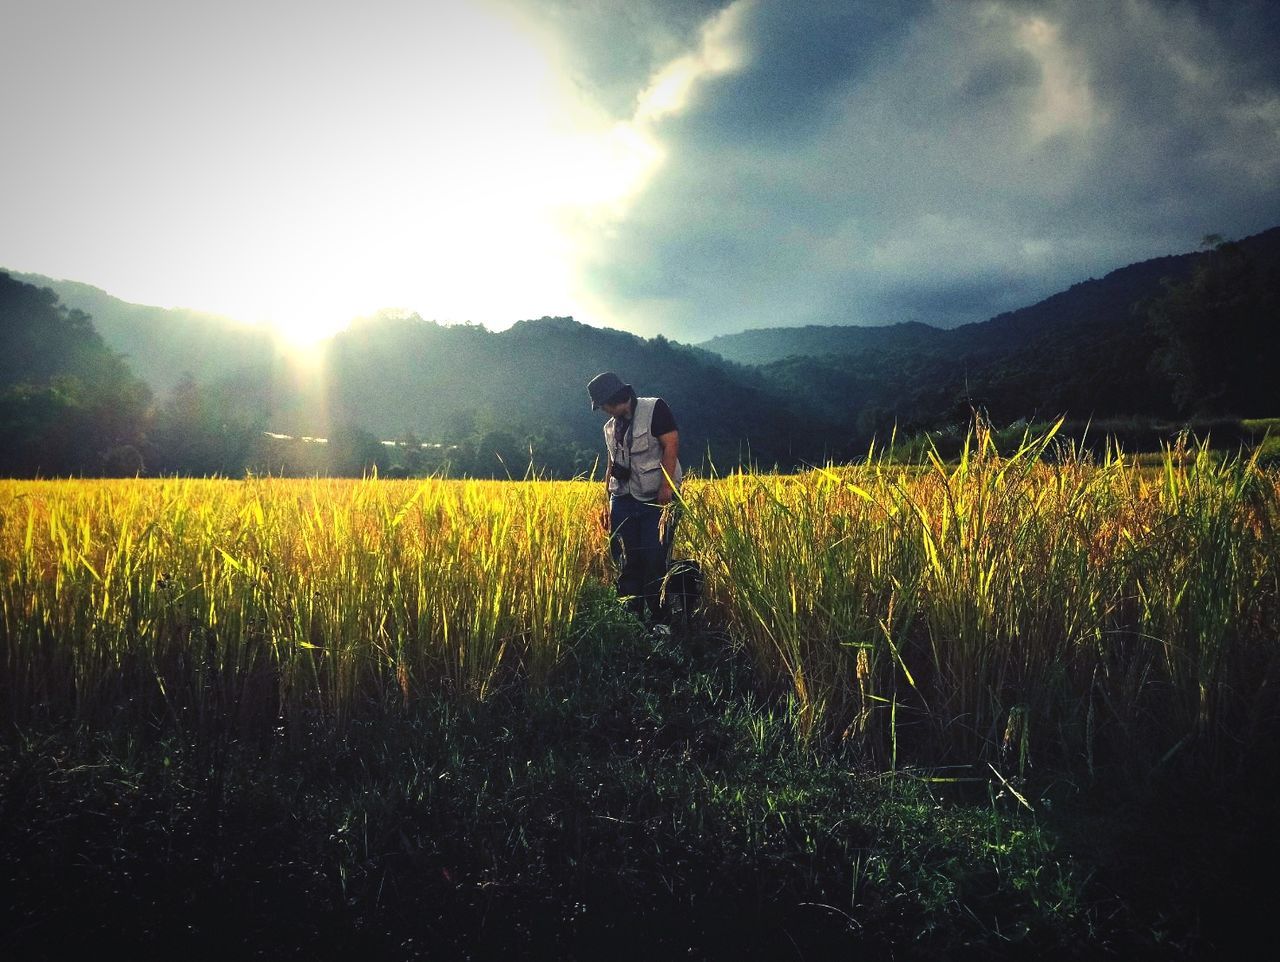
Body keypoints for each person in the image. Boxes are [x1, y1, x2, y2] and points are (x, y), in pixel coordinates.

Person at [587, 371, 681, 629]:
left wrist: (666, 487)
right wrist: (607, 500)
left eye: (603, 405)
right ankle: (631, 617)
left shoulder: (655, 408)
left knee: (654, 558)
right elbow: (611, 463)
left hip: (655, 499)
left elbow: (671, 445)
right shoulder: (609, 428)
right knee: (625, 557)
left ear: (612, 399)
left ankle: (661, 620)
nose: (603, 411)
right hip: (623, 498)